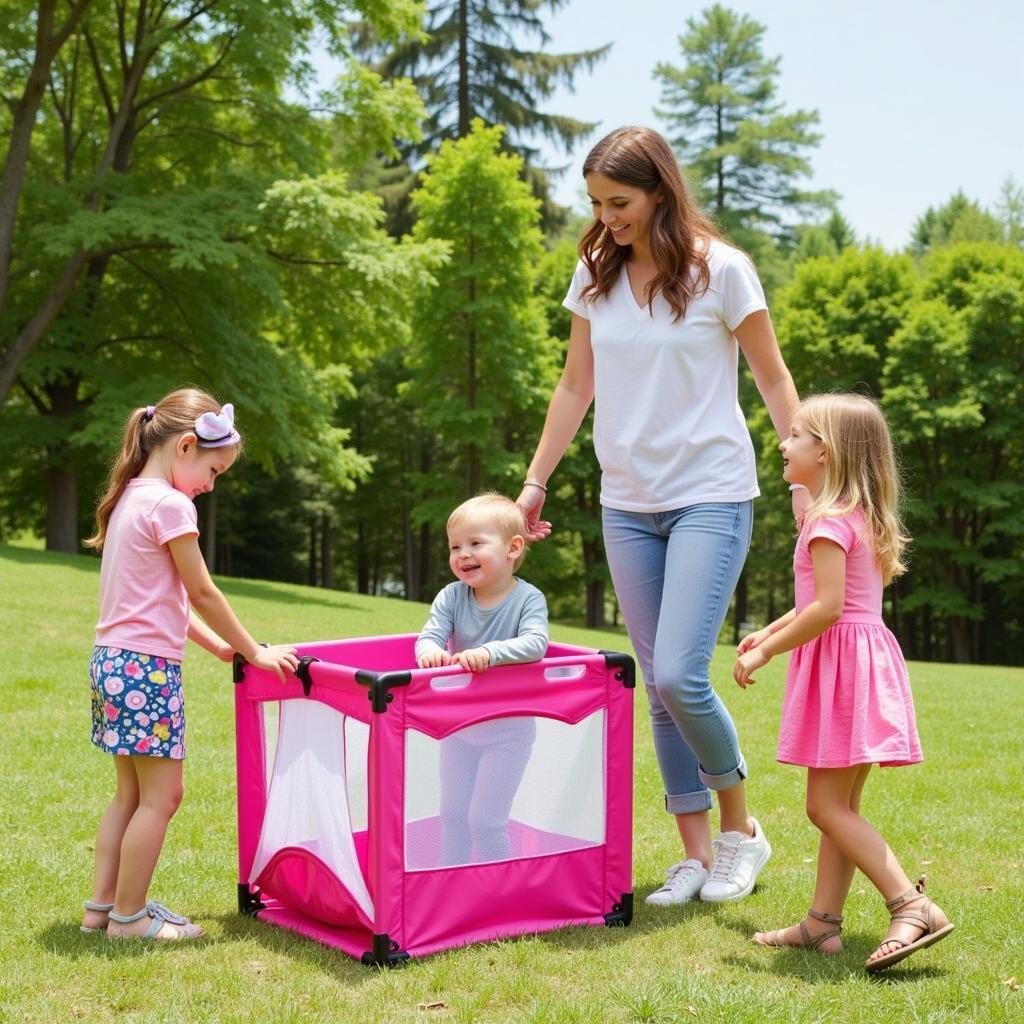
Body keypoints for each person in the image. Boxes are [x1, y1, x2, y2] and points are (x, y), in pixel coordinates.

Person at [517, 126, 801, 905]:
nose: (607, 218)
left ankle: (743, 835)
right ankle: (695, 853)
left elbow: (773, 381)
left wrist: (806, 475)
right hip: (627, 502)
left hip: (711, 491)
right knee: (657, 685)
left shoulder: (724, 273)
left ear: (660, 192)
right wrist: (537, 479)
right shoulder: (594, 275)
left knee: (681, 671)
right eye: (597, 204)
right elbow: (576, 386)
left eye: (621, 202)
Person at [734, 393, 953, 972]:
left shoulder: (829, 525)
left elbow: (827, 608)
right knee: (842, 805)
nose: (784, 443)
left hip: (842, 666)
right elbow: (816, 602)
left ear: (825, 452)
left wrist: (767, 652)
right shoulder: (854, 517)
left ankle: (911, 905)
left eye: (797, 435)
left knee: (826, 808)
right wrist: (769, 631)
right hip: (863, 660)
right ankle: (821, 924)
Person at [81, 388, 298, 940]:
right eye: (213, 469)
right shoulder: (172, 505)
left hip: (113, 664)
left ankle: (101, 910)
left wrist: (216, 647)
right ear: (184, 446)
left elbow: (160, 602)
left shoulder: (132, 496)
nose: (211, 483)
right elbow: (201, 591)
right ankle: (130, 921)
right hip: (145, 674)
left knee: (129, 795)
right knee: (163, 797)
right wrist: (255, 650)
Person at [416, 493, 549, 864]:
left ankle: (501, 894)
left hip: (507, 733)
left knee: (486, 821)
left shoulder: (528, 599)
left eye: (475, 543)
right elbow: (429, 635)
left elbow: (536, 643)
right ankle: (451, 886)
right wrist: (429, 652)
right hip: (458, 729)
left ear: (513, 548)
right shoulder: (452, 596)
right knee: (453, 817)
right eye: (455, 546)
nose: (462, 554)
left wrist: (490, 653)